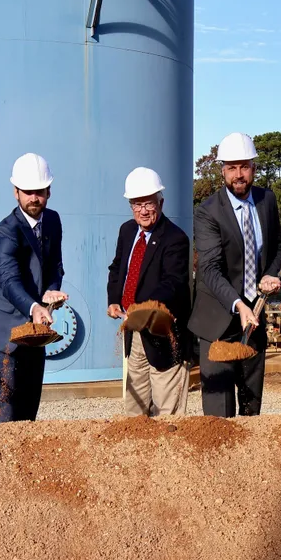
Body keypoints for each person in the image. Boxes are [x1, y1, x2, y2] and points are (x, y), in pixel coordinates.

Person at [189, 132, 281, 418]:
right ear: (222, 171)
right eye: (232, 168)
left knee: (251, 405)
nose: (239, 175)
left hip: (254, 315)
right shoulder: (207, 213)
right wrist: (239, 304)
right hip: (218, 318)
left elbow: (277, 245)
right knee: (219, 412)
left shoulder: (267, 200)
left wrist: (269, 274)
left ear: (254, 168)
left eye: (244, 167)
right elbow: (210, 267)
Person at [0, 153, 67, 423]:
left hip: (34, 328)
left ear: (49, 190)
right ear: (16, 192)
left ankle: (25, 460)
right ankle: (0, 456)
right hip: (3, 329)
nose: (34, 198)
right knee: (7, 402)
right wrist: (35, 306)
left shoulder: (52, 221)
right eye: (28, 192)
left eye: (39, 192)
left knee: (29, 402)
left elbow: (55, 265)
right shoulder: (5, 233)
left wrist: (51, 290)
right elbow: (8, 280)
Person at [106, 167, 192, 416]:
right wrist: (114, 300)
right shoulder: (127, 230)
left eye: (149, 203)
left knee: (168, 412)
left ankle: (168, 453)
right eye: (136, 204)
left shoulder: (175, 239)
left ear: (161, 203)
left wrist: (139, 307)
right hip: (136, 334)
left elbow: (173, 283)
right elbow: (117, 268)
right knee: (135, 409)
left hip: (164, 332)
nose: (143, 210)